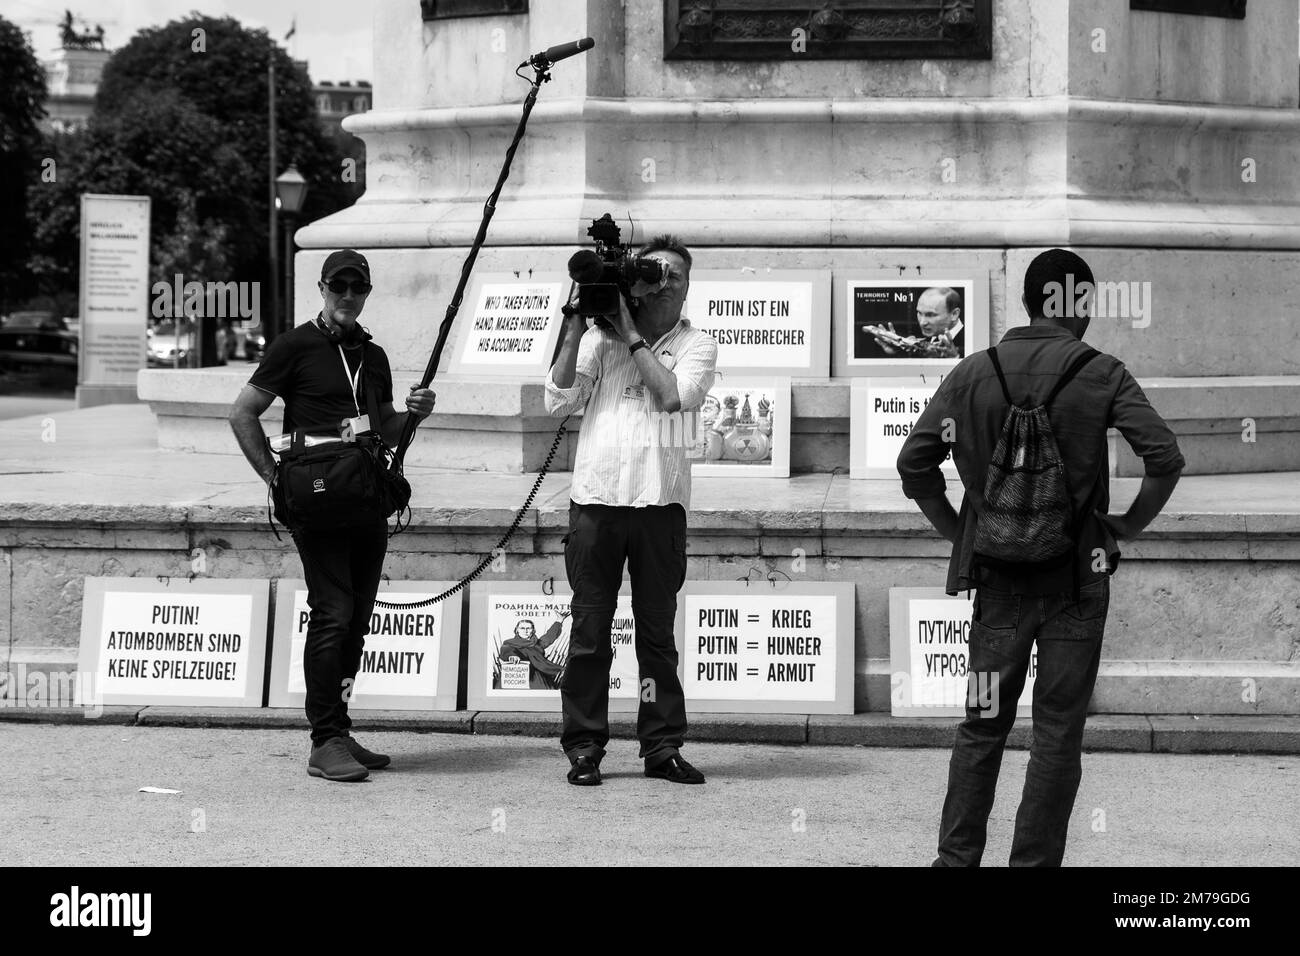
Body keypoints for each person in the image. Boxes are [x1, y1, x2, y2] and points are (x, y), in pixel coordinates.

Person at [897, 248, 1184, 866]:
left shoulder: (972, 373)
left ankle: (954, 862)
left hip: (997, 588)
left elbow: (914, 465)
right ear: (1079, 304)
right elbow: (1164, 457)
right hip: (1079, 585)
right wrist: (1128, 525)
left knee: (980, 724)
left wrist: (963, 533)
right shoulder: (1102, 373)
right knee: (1057, 733)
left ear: (1027, 302)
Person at [228, 249, 436, 783]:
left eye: (357, 287)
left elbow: (383, 428)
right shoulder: (294, 345)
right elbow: (242, 411)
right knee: (333, 614)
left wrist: (412, 415)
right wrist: (275, 480)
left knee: (356, 622)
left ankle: (339, 731)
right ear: (322, 288)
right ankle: (323, 742)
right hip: (316, 499)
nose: (348, 295)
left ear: (366, 293)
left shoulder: (374, 354)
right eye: (338, 286)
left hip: (364, 496)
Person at [545, 234, 718, 787]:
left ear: (687, 288)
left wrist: (633, 335)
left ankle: (662, 747)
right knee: (590, 631)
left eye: (674, 276)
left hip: (658, 507)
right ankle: (584, 748)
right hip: (596, 503)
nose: (662, 282)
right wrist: (575, 323)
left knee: (656, 635)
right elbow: (558, 401)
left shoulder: (698, 344)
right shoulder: (600, 339)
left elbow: (672, 397)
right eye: (654, 272)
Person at [496, 612, 569, 690]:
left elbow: (549, 637)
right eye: (522, 628)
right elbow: (507, 650)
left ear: (533, 630)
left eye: (528, 628)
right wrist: (512, 657)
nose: (525, 631)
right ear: (517, 630)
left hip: (537, 677)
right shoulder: (510, 643)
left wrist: (559, 620)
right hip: (517, 676)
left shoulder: (536, 643)